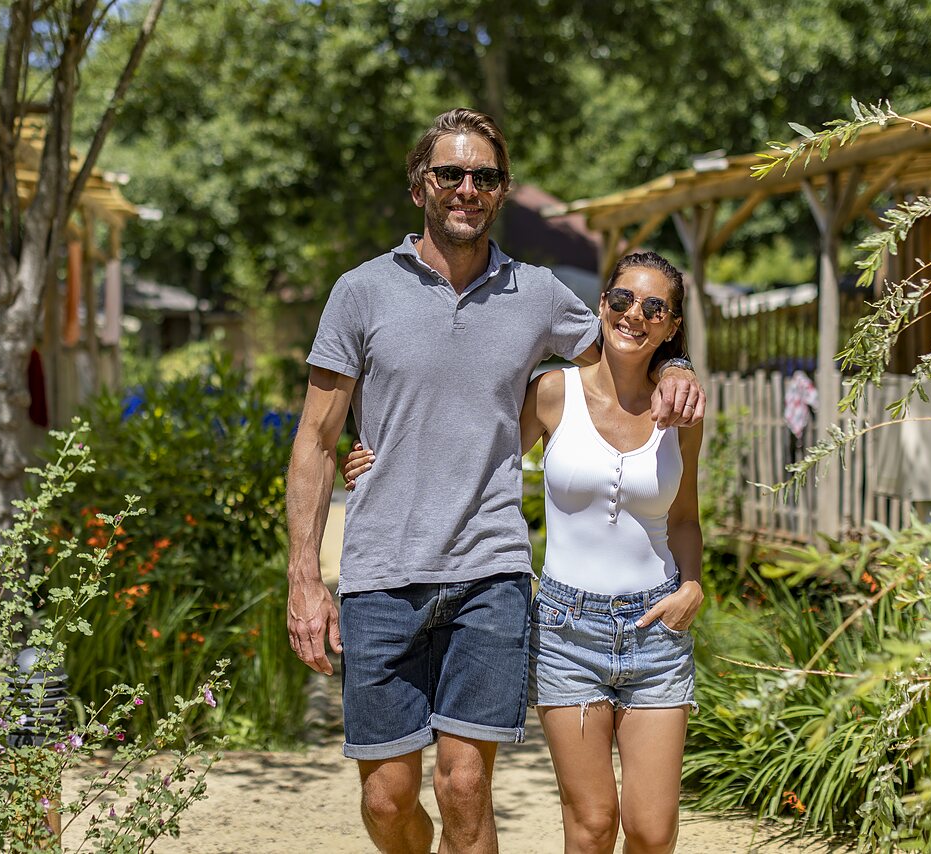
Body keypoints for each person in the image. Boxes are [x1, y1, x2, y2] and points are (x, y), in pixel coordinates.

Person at [285, 108, 705, 854]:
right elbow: (316, 441)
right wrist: (304, 578)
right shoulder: (361, 291)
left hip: (491, 572)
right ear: (420, 184)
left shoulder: (535, 293)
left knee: (464, 786)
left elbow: (625, 343)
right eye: (450, 173)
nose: (467, 189)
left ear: (502, 190)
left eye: (485, 176)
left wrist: (676, 365)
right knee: (386, 801)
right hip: (381, 572)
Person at [345, 250, 703, 854]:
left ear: (671, 326)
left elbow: (686, 518)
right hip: (567, 630)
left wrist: (692, 584)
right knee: (592, 826)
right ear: (602, 306)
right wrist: (377, 462)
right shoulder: (552, 393)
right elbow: (473, 450)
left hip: (656, 633)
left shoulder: (683, 414)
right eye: (622, 299)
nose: (634, 315)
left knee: (652, 830)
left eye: (654, 308)